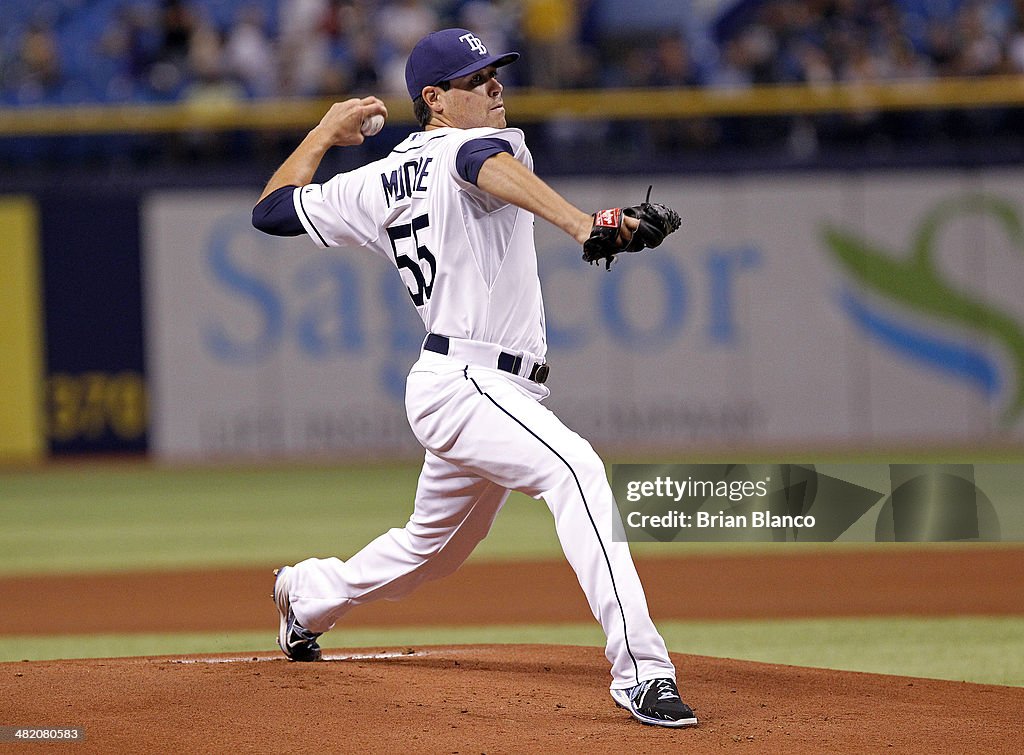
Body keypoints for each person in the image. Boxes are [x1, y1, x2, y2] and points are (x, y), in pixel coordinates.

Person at [251, 27, 696, 729]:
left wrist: (323, 132)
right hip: (465, 379)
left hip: (471, 386)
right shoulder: (469, 143)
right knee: (576, 469)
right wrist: (582, 224)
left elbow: (273, 210)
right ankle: (642, 670)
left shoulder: (374, 180)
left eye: (495, 72)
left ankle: (305, 596)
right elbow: (480, 161)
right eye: (475, 79)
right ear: (434, 99)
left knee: (428, 552)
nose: (494, 87)